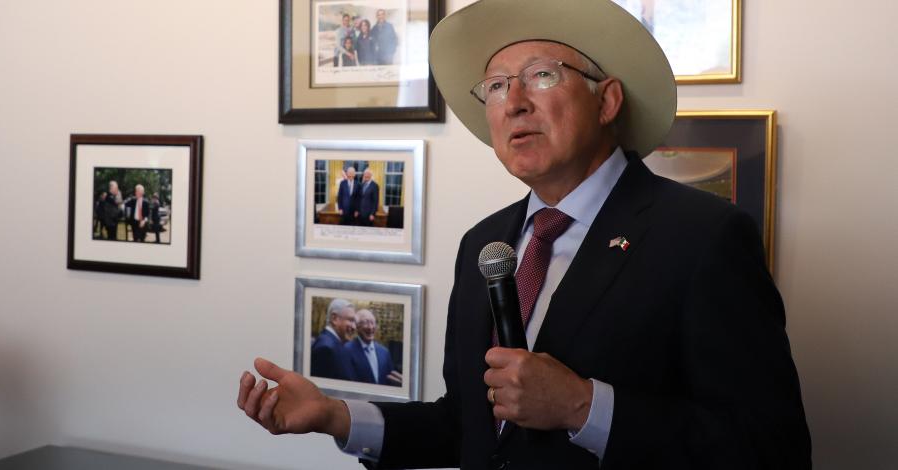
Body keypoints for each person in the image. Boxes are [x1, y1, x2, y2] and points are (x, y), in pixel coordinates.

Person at [237, 1, 811, 469]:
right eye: (494, 86)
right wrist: (338, 415)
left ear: (607, 99)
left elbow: (770, 450)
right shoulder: (484, 245)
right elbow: (470, 427)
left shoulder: (703, 236)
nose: (512, 103)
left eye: (540, 75)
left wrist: (585, 407)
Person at [344, 309, 402, 386]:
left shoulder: (384, 352)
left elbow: (390, 380)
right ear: (357, 327)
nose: (370, 327)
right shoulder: (346, 350)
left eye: (373, 322)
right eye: (366, 322)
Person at [310, 299, 357, 381]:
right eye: (350, 320)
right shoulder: (325, 348)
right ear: (334, 318)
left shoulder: (333, 344)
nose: (354, 327)